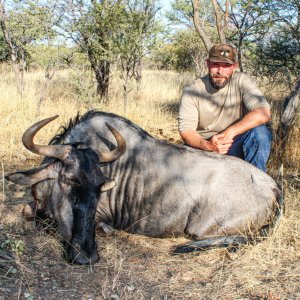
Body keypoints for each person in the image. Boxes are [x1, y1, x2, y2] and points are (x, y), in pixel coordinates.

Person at [178, 43, 272, 172]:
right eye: (216, 64)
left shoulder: (242, 81)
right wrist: (208, 145)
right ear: (208, 64)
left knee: (260, 133)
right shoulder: (192, 90)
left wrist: (230, 132)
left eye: (226, 66)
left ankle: (256, 181)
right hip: (202, 149)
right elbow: (186, 131)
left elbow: (263, 113)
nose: (220, 71)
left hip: (232, 144)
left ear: (234, 66)